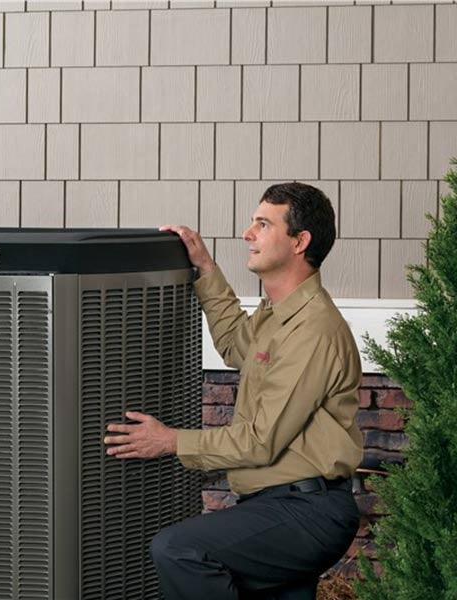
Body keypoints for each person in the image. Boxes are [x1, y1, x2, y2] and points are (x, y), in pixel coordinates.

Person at [104, 182, 363, 600]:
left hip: (306, 512)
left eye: (263, 224)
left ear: (300, 241)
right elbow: (235, 343)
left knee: (179, 550)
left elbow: (260, 441)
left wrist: (168, 441)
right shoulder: (278, 315)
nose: (247, 233)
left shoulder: (313, 330)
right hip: (279, 506)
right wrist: (206, 268)